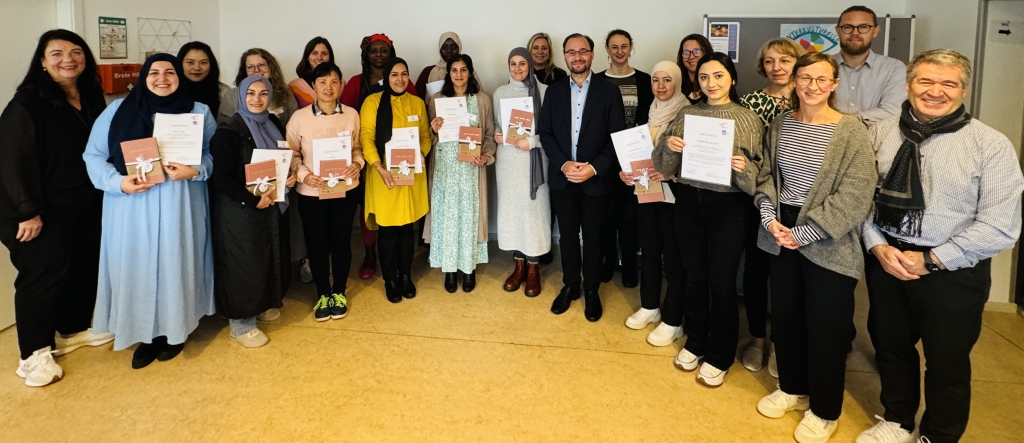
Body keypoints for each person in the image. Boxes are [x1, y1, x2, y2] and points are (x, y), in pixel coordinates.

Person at [856, 49, 1024, 443]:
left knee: (946, 362)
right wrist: (878, 246)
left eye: (948, 83)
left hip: (952, 271)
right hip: (887, 258)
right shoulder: (881, 131)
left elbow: (1001, 226)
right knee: (891, 347)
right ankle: (897, 419)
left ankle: (939, 434)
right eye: (925, 81)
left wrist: (931, 260)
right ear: (909, 84)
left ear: (963, 89)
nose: (935, 91)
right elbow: (862, 197)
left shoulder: (990, 145)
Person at [752, 52, 877, 443]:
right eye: (805, 78)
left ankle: (824, 411)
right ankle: (792, 388)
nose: (812, 86)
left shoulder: (851, 131)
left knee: (826, 327)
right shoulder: (780, 124)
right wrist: (770, 217)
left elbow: (857, 194)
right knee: (786, 318)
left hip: (828, 240)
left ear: (835, 84)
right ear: (794, 81)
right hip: (779, 233)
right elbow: (767, 176)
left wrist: (804, 233)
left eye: (822, 80)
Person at [83, 53, 217, 369]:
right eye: (154, 72)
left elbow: (213, 155)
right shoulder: (117, 111)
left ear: (179, 77)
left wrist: (195, 170)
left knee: (176, 264)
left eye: (169, 72)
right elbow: (93, 156)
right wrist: (118, 183)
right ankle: (146, 334)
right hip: (131, 206)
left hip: (179, 203)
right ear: (143, 77)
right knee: (138, 267)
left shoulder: (198, 113)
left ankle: (175, 331)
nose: (162, 78)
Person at [0, 29, 111, 387]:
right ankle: (32, 355)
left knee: (80, 267)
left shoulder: (92, 95)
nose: (68, 59)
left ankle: (72, 330)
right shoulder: (27, 102)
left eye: (76, 52)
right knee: (41, 278)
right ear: (43, 61)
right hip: (37, 208)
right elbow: (10, 161)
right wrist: (26, 211)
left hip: (82, 200)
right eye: (57, 53)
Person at [651, 52, 762, 388]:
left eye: (718, 76)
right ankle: (696, 341)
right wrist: (669, 146)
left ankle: (720, 354)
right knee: (694, 278)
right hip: (688, 205)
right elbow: (663, 166)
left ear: (731, 78)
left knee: (722, 284)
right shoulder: (687, 114)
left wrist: (744, 168)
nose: (710, 84)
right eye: (703, 77)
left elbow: (761, 175)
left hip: (728, 209)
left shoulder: (747, 119)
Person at [538, 33, 624, 322]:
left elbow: (616, 138)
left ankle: (591, 290)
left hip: (596, 180)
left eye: (582, 51)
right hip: (563, 179)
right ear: (564, 56)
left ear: (592, 54)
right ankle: (571, 285)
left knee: (595, 238)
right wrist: (563, 164)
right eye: (571, 52)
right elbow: (546, 133)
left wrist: (594, 167)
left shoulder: (609, 91)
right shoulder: (554, 91)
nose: (577, 56)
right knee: (568, 237)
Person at [738, 37, 805, 376]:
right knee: (755, 272)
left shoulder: (809, 99)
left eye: (784, 60)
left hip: (798, 203)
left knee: (787, 279)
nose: (776, 67)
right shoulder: (750, 102)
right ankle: (757, 338)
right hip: (756, 197)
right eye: (769, 61)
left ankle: (782, 342)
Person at [210, 75, 294, 347]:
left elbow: (280, 161)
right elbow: (221, 179)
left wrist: (287, 178)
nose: (257, 99)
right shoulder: (228, 132)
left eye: (263, 93)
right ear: (241, 97)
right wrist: (250, 199)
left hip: (270, 204)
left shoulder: (272, 123)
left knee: (267, 256)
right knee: (243, 264)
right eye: (250, 94)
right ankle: (241, 324)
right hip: (240, 211)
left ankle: (264, 303)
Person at [287, 62, 364, 320]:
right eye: (322, 82)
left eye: (333, 82)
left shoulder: (352, 115)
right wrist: (305, 175)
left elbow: (358, 147)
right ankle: (323, 294)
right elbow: (291, 154)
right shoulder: (299, 118)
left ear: (341, 84)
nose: (328, 87)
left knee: (341, 242)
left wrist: (357, 164)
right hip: (311, 192)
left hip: (345, 189)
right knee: (317, 245)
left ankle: (339, 291)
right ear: (314, 86)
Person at [622, 61, 687, 349]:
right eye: (656, 81)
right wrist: (626, 172)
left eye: (667, 81)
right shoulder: (650, 114)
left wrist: (673, 173)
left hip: (675, 198)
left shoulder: (686, 114)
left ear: (677, 83)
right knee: (648, 251)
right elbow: (638, 155)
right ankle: (650, 306)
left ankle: (673, 320)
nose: (660, 86)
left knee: (673, 258)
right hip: (647, 192)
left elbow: (698, 160)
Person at [340, 34, 415, 280]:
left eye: (384, 50)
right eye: (374, 51)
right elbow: (345, 117)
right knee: (369, 207)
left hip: (401, 160)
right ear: (366, 54)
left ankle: (398, 264)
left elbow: (415, 111)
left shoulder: (404, 81)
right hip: (367, 157)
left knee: (399, 208)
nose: (379, 55)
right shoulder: (356, 83)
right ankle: (370, 253)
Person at [360, 57, 431, 303]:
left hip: (409, 175)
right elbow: (366, 137)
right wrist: (379, 167)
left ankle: (405, 276)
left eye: (404, 74)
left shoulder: (417, 103)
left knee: (406, 230)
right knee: (389, 230)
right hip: (383, 176)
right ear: (386, 77)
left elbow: (425, 136)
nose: (400, 79)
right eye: (394, 74)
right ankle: (390, 279)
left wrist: (420, 153)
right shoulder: (372, 102)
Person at [425, 54, 494, 292]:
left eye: (463, 70)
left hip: (470, 170)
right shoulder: (436, 100)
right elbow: (427, 139)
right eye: (454, 70)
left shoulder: (482, 100)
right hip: (445, 171)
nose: (458, 74)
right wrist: (432, 130)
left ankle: (468, 268)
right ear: (449, 74)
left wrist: (486, 156)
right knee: (446, 219)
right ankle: (450, 270)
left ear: (470, 72)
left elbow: (488, 136)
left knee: (469, 218)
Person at [595, 29, 653, 288]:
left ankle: (629, 264)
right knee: (605, 216)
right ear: (606, 50)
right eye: (614, 46)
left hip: (635, 159)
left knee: (631, 217)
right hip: (605, 159)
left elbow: (649, 119)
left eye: (624, 46)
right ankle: (608, 262)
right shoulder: (596, 81)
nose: (619, 51)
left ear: (631, 48)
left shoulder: (644, 80)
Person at [492, 48, 550, 298]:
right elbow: (497, 122)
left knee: (533, 212)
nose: (517, 68)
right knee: (513, 211)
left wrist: (533, 141)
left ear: (530, 65)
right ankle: (518, 265)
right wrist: (497, 133)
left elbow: (551, 130)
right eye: (513, 64)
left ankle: (534, 268)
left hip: (533, 160)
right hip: (508, 161)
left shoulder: (545, 92)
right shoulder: (500, 93)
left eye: (522, 63)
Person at [832, 5, 906, 126]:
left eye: (863, 27)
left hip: (877, 142)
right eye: (847, 27)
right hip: (826, 139)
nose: (855, 33)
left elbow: (893, 110)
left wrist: (841, 121)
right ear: (838, 31)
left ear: (875, 31)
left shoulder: (894, 68)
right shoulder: (819, 66)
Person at [219, 48, 298, 126]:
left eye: (261, 65)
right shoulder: (232, 95)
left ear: (271, 68)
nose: (256, 70)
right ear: (245, 71)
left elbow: (295, 126)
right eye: (250, 67)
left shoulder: (285, 94)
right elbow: (223, 127)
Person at [414, 32, 484, 101]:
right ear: (439, 49)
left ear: (459, 48)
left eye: (453, 47)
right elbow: (417, 100)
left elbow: (480, 99)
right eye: (444, 47)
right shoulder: (428, 72)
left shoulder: (469, 72)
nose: (449, 51)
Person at [177, 41, 228, 116]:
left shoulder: (223, 92)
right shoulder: (171, 89)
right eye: (190, 62)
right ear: (180, 63)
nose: (197, 68)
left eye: (203, 63)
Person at [289, 36, 334, 109]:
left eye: (324, 53)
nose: (319, 58)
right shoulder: (294, 86)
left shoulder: (340, 84)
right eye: (314, 53)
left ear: (330, 57)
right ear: (307, 57)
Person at [675, 34, 714, 105]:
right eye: (686, 52)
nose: (691, 57)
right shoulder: (676, 85)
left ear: (707, 52)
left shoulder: (716, 84)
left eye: (697, 51)